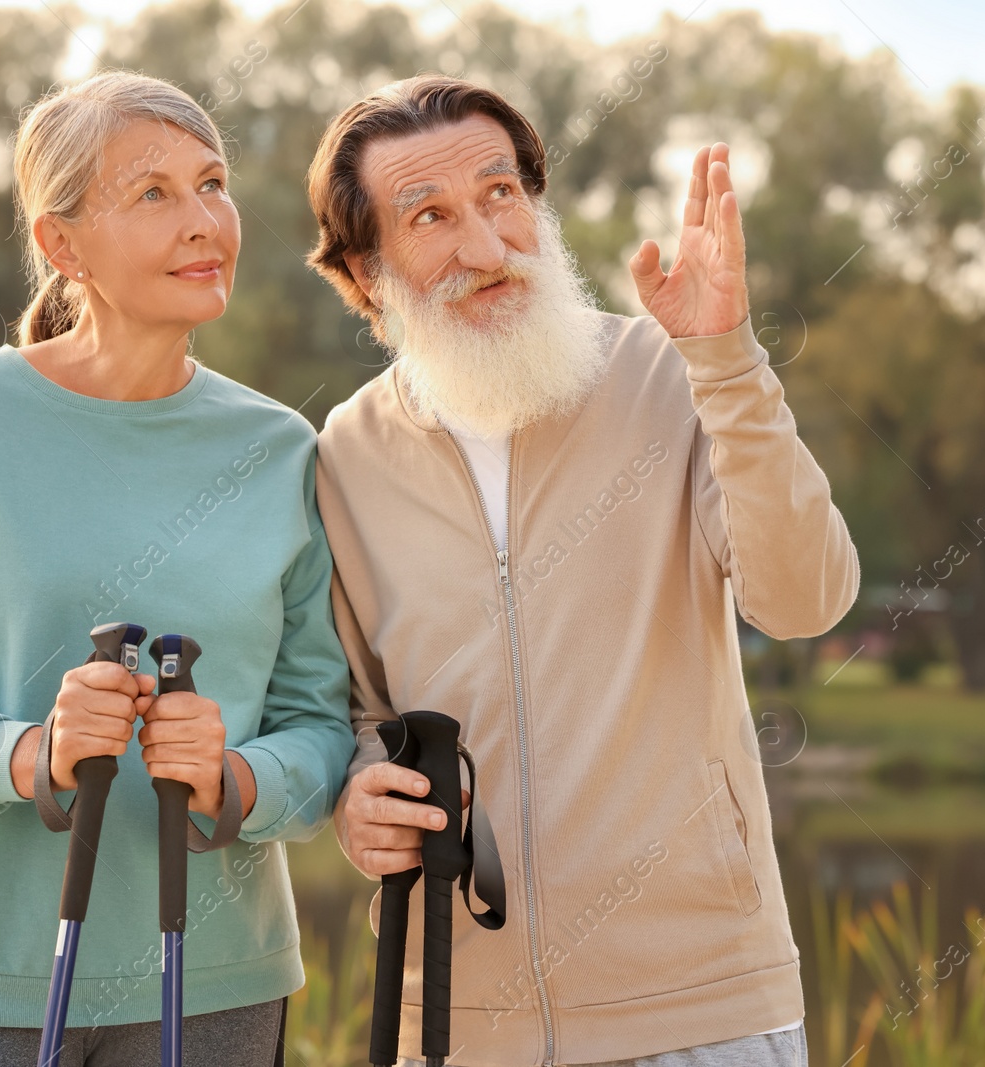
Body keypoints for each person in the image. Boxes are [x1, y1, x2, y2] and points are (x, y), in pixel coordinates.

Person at [308, 75, 861, 1067]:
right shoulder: (343, 453)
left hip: (704, 1007)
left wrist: (728, 360)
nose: (485, 246)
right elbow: (352, 710)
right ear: (364, 267)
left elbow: (806, 599)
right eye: (428, 215)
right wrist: (356, 797)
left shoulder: (672, 371)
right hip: (454, 1023)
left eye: (500, 194)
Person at [0, 70, 353, 1066]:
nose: (204, 220)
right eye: (153, 193)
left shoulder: (283, 447)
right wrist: (30, 754)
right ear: (62, 245)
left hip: (215, 980)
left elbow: (324, 728)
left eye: (212, 182)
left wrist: (236, 771)